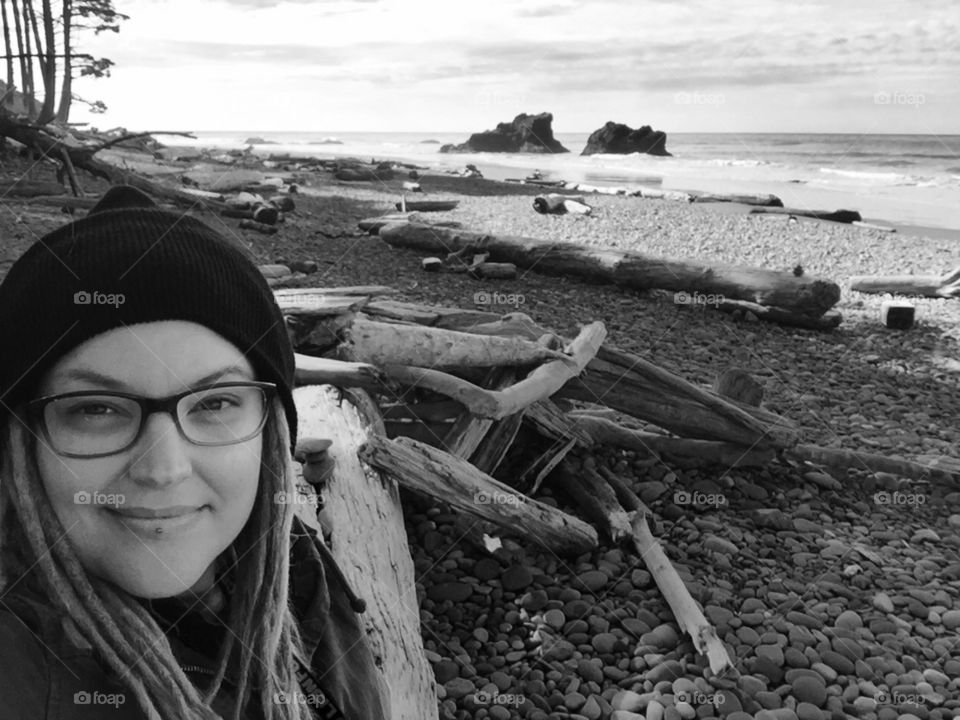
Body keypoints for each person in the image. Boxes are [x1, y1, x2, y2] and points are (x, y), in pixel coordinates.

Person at [0, 186, 388, 719]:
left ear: (272, 432)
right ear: (20, 438)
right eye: (95, 409)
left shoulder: (291, 561)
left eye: (216, 402)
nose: (164, 470)